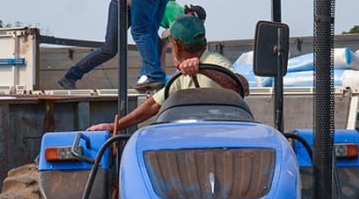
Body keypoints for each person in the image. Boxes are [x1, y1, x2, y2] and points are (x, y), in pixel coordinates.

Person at [89, 14, 248, 132]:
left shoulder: (212, 60)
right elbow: (152, 104)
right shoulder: (181, 77)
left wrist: (202, 68)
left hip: (222, 137)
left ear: (176, 47)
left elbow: (242, 86)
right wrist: (113, 126)